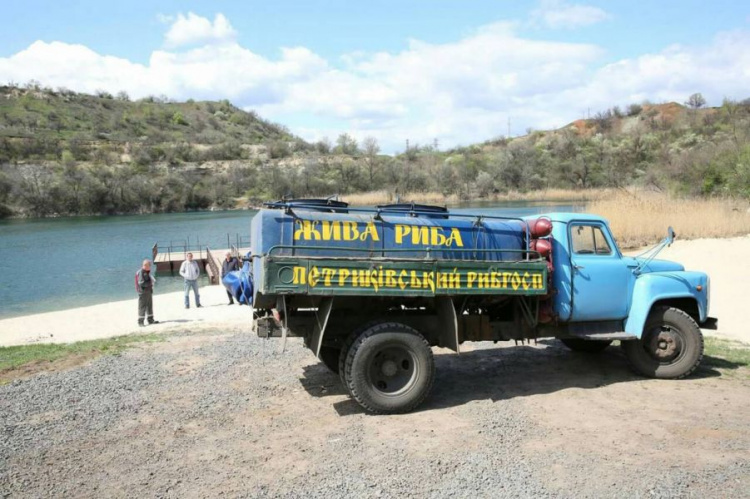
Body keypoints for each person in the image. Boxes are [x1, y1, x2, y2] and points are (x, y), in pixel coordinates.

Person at [135, 259, 159, 326]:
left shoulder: (146, 272)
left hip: (148, 291)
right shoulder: (141, 272)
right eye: (149, 265)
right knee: (142, 307)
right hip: (143, 292)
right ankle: (140, 322)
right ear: (145, 265)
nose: (150, 267)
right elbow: (141, 283)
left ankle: (150, 320)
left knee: (149, 306)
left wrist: (151, 284)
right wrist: (150, 282)